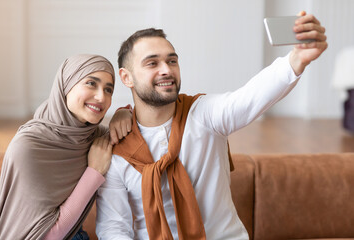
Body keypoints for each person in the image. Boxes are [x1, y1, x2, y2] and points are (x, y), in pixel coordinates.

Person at [95, 11, 327, 239]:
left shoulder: (204, 114)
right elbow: (113, 228)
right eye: (152, 63)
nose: (166, 69)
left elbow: (249, 98)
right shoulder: (117, 148)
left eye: (172, 60)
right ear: (126, 78)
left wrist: (296, 59)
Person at [0, 54, 132, 240]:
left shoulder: (92, 137)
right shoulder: (28, 147)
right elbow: (47, 236)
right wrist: (94, 172)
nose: (101, 97)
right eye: (91, 83)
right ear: (66, 85)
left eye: (108, 90)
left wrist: (125, 113)